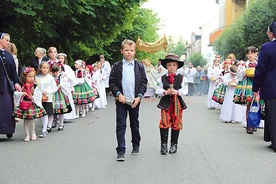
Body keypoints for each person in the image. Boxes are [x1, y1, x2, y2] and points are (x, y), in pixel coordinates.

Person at [109, 39, 147, 161]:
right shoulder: (117, 66)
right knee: (121, 125)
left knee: (134, 124)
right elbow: (112, 82)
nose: (129, 52)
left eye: (131, 50)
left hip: (134, 100)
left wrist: (140, 96)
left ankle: (136, 143)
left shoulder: (139, 67)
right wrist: (118, 94)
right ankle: (121, 150)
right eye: (126, 50)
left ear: (135, 51)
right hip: (121, 100)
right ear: (121, 51)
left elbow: (143, 83)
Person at [155, 53, 188, 155]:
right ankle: (163, 144)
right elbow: (157, 90)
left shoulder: (182, 78)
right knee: (164, 122)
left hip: (177, 103)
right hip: (165, 102)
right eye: (169, 65)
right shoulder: (161, 78)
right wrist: (165, 92)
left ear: (177, 66)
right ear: (166, 66)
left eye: (174, 65)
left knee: (176, 122)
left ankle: (174, 144)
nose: (171, 67)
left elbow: (185, 90)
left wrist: (176, 92)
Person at [252, 21, 276, 151]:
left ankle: (274, 141)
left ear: (272, 34)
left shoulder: (267, 48)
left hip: (272, 87)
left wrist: (256, 88)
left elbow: (260, 69)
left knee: (272, 115)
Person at [13, 67, 46, 141]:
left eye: (33, 76)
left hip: (31, 104)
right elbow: (16, 93)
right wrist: (22, 93)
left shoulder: (34, 86)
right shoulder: (22, 85)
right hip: (24, 103)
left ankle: (33, 132)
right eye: (29, 76)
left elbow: (38, 94)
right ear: (25, 77)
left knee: (31, 119)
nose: (31, 78)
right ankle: (27, 134)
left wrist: (33, 96)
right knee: (25, 120)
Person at [0, 32, 21, 138]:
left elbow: (13, 71)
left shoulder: (9, 55)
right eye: (6, 40)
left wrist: (16, 82)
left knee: (8, 107)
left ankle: (8, 129)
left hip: (6, 86)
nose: (8, 42)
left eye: (9, 40)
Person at [36, 61, 58, 137]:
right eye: (43, 68)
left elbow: (55, 88)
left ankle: (47, 127)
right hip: (39, 98)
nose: (45, 69)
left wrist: (48, 92)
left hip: (48, 97)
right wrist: (40, 92)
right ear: (40, 68)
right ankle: (44, 125)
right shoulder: (37, 78)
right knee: (41, 113)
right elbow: (36, 88)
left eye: (47, 68)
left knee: (48, 112)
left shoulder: (50, 78)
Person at [57, 53, 78, 120]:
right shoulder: (56, 66)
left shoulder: (67, 67)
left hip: (66, 86)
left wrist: (71, 87)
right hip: (59, 86)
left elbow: (72, 77)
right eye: (59, 58)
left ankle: (68, 116)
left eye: (62, 58)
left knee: (67, 99)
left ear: (64, 59)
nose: (60, 59)